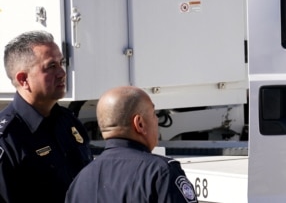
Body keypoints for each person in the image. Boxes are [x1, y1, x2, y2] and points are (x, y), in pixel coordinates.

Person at [0, 30, 93, 203]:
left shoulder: (69, 122)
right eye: (51, 66)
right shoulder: (7, 139)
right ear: (23, 80)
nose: (62, 73)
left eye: (61, 63)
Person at [65, 86, 198, 203]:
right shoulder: (161, 173)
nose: (157, 120)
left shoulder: (80, 181)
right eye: (153, 114)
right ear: (139, 123)